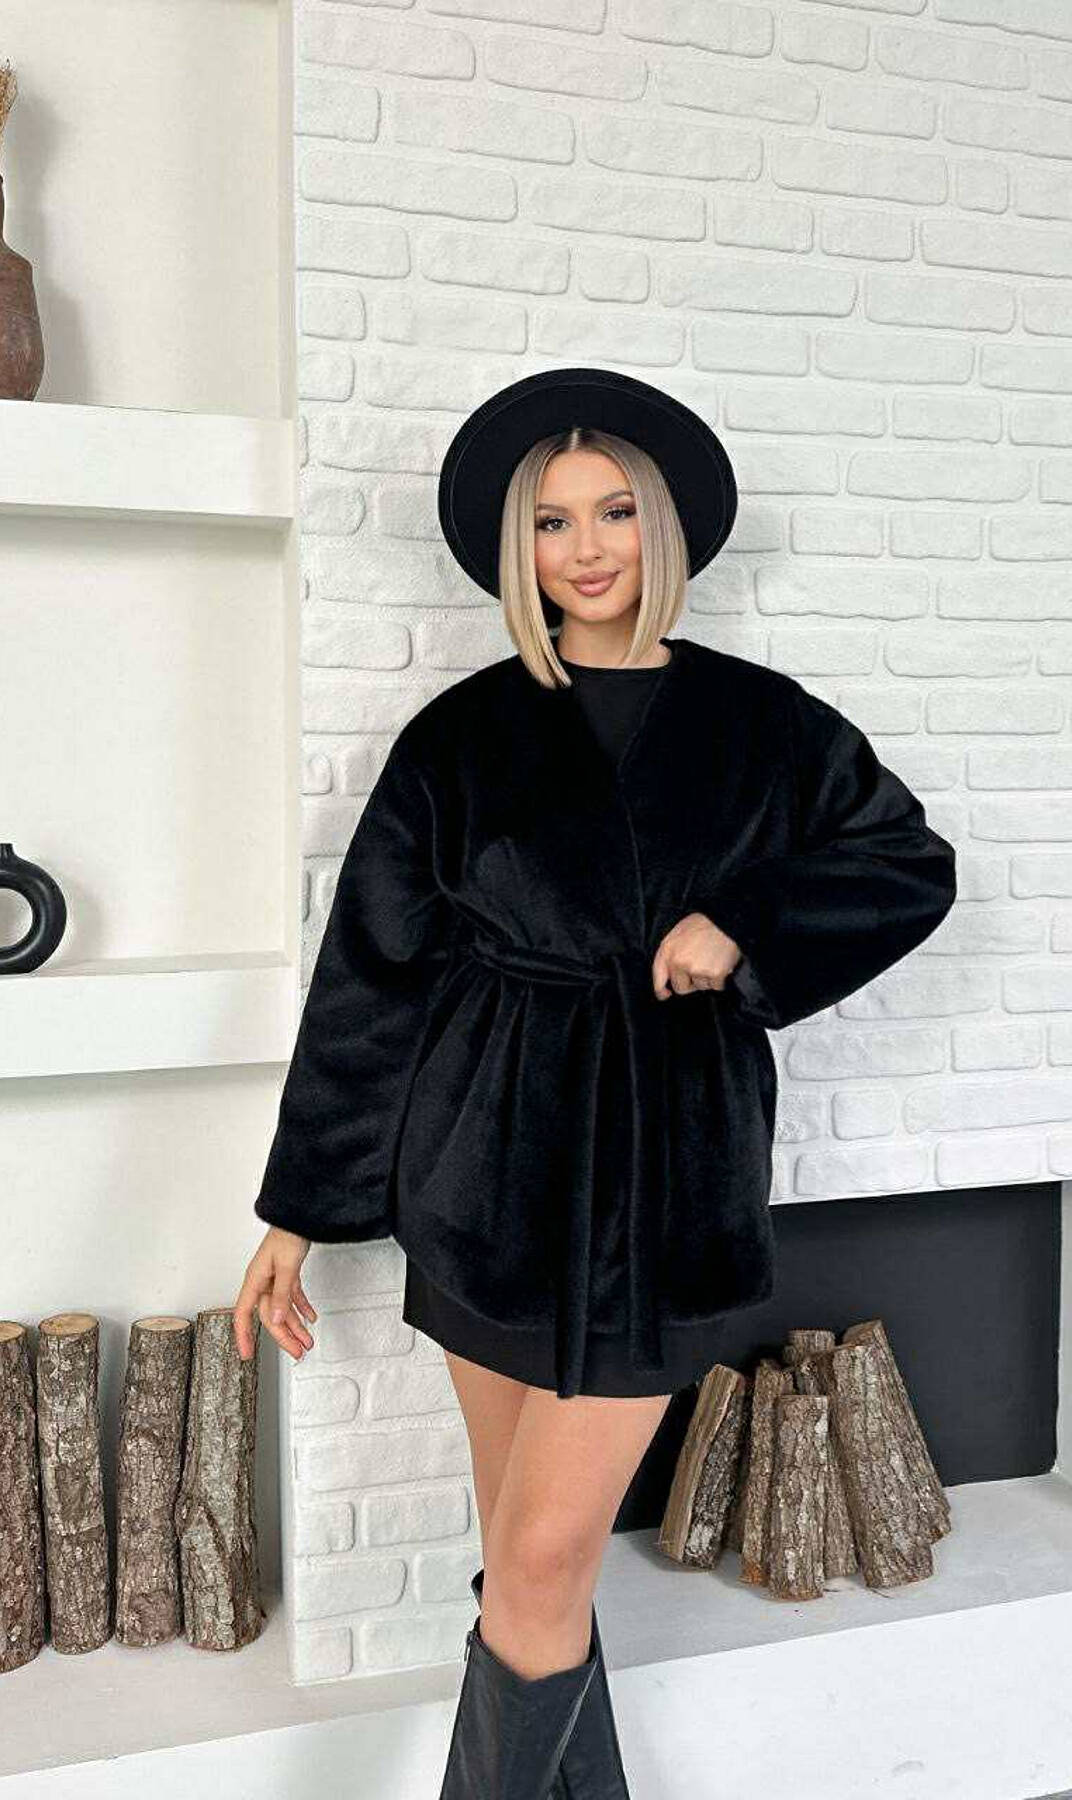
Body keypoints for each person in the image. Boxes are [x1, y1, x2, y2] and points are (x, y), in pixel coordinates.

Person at [232, 366, 958, 1798]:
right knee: (529, 1564)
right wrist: (298, 1210)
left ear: (661, 527)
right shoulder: (461, 734)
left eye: (614, 511)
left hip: (662, 1177)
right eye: (552, 522)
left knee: (542, 1560)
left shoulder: (766, 724)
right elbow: (372, 977)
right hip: (481, 1173)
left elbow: (905, 863)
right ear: (521, 552)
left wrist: (743, 923)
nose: (586, 548)